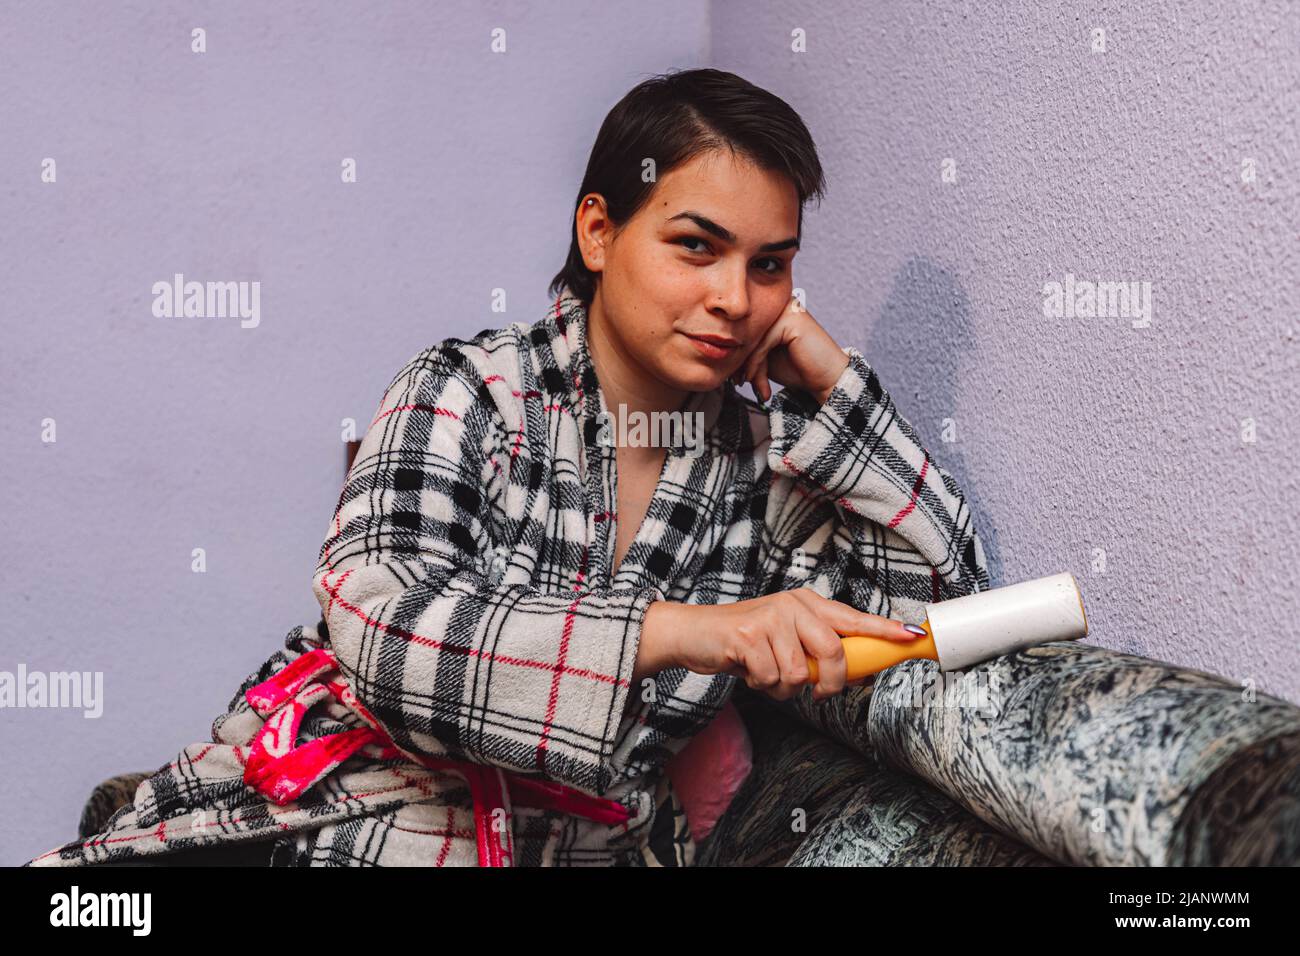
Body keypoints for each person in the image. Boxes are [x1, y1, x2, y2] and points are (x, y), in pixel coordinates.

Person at [25, 67, 988, 868]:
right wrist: (696, 631)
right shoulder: (469, 393)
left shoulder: (754, 465)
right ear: (599, 232)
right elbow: (386, 632)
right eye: (696, 247)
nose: (735, 298)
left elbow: (937, 598)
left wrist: (833, 382)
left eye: (770, 265)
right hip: (330, 812)